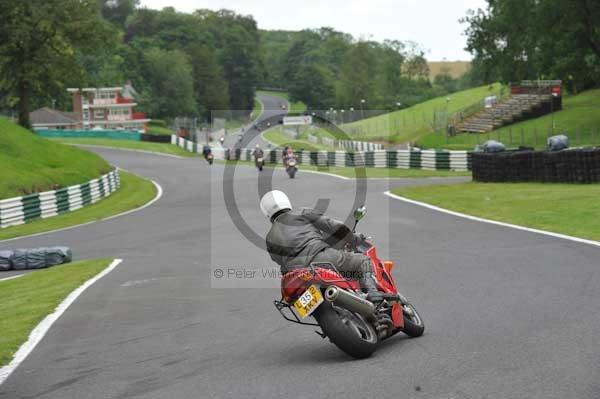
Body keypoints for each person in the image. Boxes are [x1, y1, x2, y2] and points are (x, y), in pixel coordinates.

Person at [260, 190, 383, 301]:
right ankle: (374, 296)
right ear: (285, 202)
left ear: (266, 212)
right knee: (363, 261)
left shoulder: (269, 238)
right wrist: (355, 239)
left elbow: (279, 262)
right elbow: (333, 227)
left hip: (296, 276)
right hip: (320, 258)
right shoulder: (301, 212)